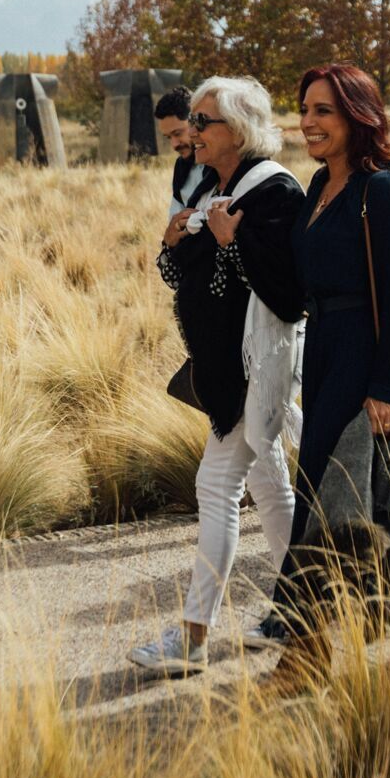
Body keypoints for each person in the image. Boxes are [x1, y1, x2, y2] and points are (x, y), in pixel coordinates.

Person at [251, 63, 390, 689]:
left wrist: (384, 387)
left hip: (364, 357)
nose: (310, 122)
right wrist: (236, 243)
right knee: (364, 505)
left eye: (324, 110)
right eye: (305, 109)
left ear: (357, 116)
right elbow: (296, 289)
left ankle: (304, 656)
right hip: (321, 349)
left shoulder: (381, 193)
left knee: (324, 504)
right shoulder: (318, 185)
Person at [129, 77, 304, 673]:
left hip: (251, 372)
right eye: (193, 122)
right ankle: (302, 612)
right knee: (272, 487)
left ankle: (193, 637)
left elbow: (287, 291)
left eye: (204, 123)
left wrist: (231, 242)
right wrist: (175, 240)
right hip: (227, 372)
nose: (192, 132)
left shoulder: (275, 191)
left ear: (240, 130)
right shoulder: (214, 186)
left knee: (216, 488)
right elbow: (190, 277)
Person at [157, 85, 214, 218]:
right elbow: (175, 218)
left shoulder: (224, 162)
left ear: (196, 122)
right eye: (168, 137)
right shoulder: (181, 166)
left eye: (177, 133)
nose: (174, 145)